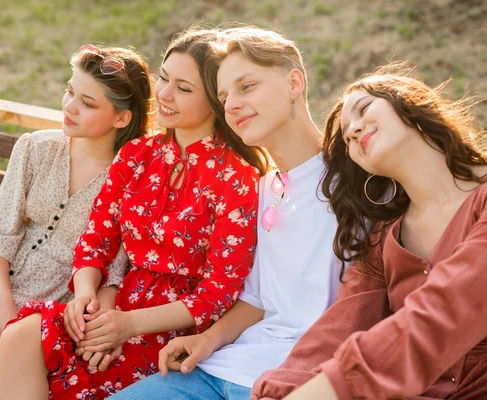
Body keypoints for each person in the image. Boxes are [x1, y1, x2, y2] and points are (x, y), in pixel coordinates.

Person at [0, 29, 267, 400]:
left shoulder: (235, 177)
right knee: (21, 335)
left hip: (174, 329)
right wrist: (86, 298)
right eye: (164, 78)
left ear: (216, 100)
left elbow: (218, 292)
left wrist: (127, 326)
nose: (163, 94)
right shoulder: (136, 154)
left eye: (183, 88)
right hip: (112, 304)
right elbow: (96, 241)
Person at [252, 63, 487, 399]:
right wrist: (281, 391)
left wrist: (329, 389)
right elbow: (340, 327)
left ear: (410, 103)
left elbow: (448, 312)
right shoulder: (383, 238)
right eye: (347, 137)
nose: (355, 130)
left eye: (364, 109)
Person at [110, 26, 344, 400]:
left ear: (295, 83)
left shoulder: (352, 184)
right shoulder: (267, 187)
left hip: (301, 378)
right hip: (223, 367)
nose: (231, 104)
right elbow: (256, 299)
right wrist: (206, 339)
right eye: (223, 95)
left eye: (246, 86)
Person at [0, 44, 153, 399]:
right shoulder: (36, 148)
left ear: (121, 118)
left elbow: (114, 270)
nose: (69, 106)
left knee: (5, 372)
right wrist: (0, 300)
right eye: (70, 91)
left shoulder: (132, 179)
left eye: (87, 102)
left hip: (58, 307)